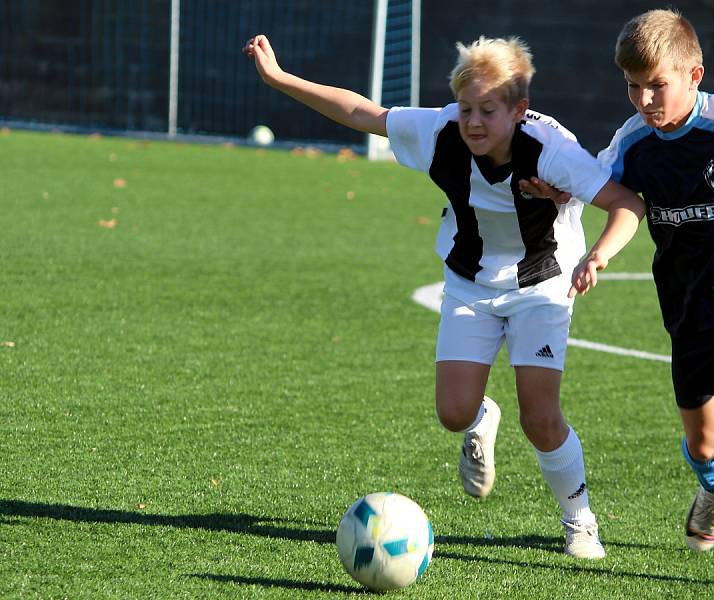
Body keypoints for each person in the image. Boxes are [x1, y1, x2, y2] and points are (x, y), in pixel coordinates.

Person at [243, 34, 643, 559]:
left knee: (540, 418)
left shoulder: (552, 149)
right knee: (454, 412)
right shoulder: (441, 130)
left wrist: (599, 255)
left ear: (519, 109)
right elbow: (363, 112)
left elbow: (626, 203)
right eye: (466, 108)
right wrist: (280, 79)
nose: (474, 122)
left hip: (541, 286)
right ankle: (481, 418)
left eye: (488, 110)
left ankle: (579, 521)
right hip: (469, 283)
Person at [527, 8, 714, 552]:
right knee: (704, 449)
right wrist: (561, 191)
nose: (644, 100)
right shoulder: (633, 142)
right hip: (688, 310)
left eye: (657, 86)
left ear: (693, 76)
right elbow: (595, 179)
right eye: (633, 87)